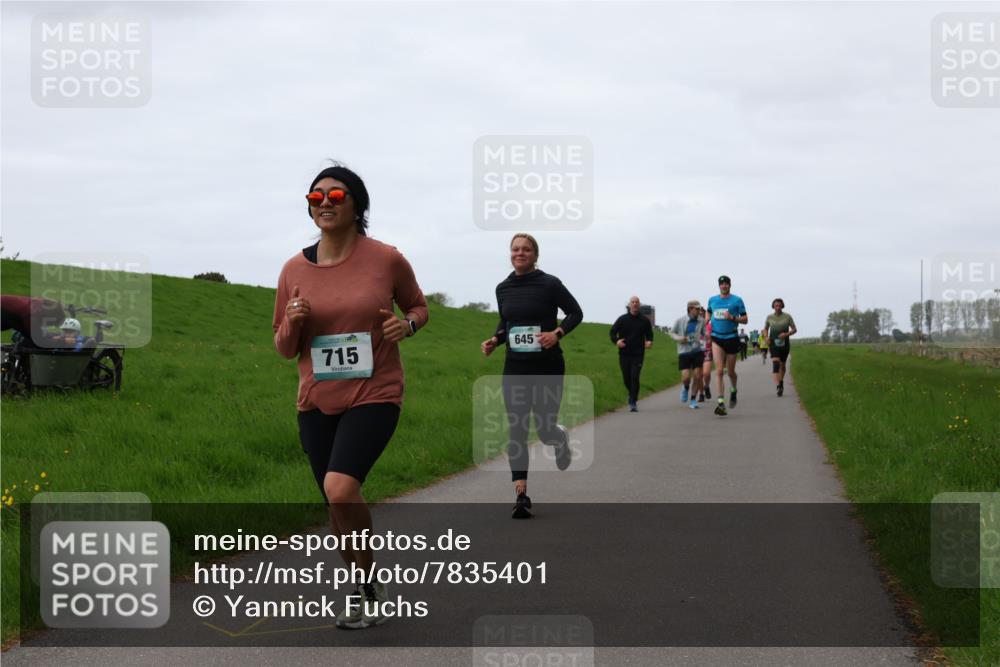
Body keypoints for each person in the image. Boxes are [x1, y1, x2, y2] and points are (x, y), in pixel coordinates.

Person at [273, 163, 428, 629]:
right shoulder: (293, 269)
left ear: (356, 204)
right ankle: (367, 585)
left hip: (375, 392)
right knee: (335, 502)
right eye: (315, 196)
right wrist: (295, 321)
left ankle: (364, 589)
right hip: (316, 400)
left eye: (336, 196)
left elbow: (419, 306)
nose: (324, 203)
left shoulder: (386, 259)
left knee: (341, 487)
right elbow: (283, 348)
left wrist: (409, 325)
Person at [481, 233, 582, 519]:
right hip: (515, 367)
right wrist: (494, 340)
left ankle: (558, 438)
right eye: (515, 249)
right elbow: (507, 322)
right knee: (517, 428)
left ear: (535, 255)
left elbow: (576, 312)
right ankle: (521, 495)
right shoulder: (503, 288)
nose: (520, 253)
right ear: (510, 254)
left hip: (548, 366)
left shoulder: (550, 284)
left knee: (544, 429)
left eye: (526, 249)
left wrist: (557, 333)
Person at [706, 275, 748, 416]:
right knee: (718, 371)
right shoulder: (712, 300)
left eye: (726, 284)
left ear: (730, 285)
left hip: (731, 337)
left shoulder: (737, 300)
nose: (724, 286)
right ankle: (720, 403)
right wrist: (706, 319)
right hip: (717, 338)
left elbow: (745, 319)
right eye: (721, 284)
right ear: (719, 286)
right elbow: (709, 311)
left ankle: (734, 390)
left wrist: (733, 318)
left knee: (730, 372)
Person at [610, 295, 653, 412]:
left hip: (638, 354)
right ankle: (632, 393)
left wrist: (649, 342)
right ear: (629, 305)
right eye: (632, 302)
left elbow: (650, 335)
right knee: (626, 378)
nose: (634, 304)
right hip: (624, 353)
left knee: (634, 377)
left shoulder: (644, 320)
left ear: (639, 305)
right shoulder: (622, 319)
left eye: (637, 302)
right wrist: (617, 341)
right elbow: (612, 332)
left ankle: (633, 402)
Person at [670, 300, 705, 409]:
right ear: (690, 309)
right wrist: (680, 338)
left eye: (700, 309)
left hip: (697, 350)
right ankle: (685, 387)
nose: (699, 311)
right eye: (697, 309)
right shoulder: (680, 320)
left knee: (698, 375)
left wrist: (707, 337)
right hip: (684, 351)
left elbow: (704, 333)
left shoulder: (701, 321)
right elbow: (672, 332)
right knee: (686, 377)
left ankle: (693, 399)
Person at [762, 298, 797, 397]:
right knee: (776, 364)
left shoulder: (787, 317)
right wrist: (766, 337)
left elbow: (794, 329)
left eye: (779, 305)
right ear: (773, 306)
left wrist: (786, 334)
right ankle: (778, 386)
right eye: (776, 305)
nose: (777, 307)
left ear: (782, 306)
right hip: (773, 343)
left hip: (785, 343)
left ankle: (781, 382)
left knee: (782, 365)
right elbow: (765, 329)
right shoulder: (769, 317)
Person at [1, 295, 65, 346]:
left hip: (6, 310)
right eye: (51, 324)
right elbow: (38, 340)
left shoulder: (39, 303)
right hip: (4, 311)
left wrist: (56, 336)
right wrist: (61, 340)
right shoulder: (32, 315)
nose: (47, 325)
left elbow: (55, 304)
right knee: (30, 341)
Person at [698, 307, 713, 402]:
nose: (700, 315)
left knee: (706, 373)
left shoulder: (710, 326)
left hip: (707, 351)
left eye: (702, 314)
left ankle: (706, 386)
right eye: (698, 313)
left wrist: (710, 338)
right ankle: (701, 394)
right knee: (699, 375)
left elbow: (715, 337)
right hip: (697, 352)